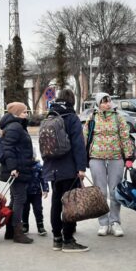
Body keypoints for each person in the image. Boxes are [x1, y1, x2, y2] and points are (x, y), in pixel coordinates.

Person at [42, 89, 89, 253]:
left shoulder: (50, 116)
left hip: (53, 169)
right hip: (69, 168)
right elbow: (78, 145)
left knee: (56, 202)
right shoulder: (71, 117)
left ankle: (57, 239)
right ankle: (68, 239)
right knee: (70, 203)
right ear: (72, 101)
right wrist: (81, 167)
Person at [83, 92, 133, 237]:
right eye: (104, 101)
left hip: (116, 157)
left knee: (115, 191)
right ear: (98, 103)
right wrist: (80, 159)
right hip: (96, 158)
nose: (107, 104)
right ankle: (103, 223)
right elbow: (85, 137)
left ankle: (115, 222)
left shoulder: (118, 117)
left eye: (109, 101)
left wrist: (128, 156)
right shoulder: (92, 117)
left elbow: (125, 137)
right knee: (101, 192)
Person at [0, 101, 34, 244]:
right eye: (24, 112)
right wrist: (13, 168)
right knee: (19, 199)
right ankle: (17, 233)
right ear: (17, 113)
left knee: (15, 199)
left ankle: (10, 231)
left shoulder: (17, 126)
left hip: (19, 168)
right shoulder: (15, 127)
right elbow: (8, 149)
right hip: (16, 170)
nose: (27, 114)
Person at [22, 153, 49, 236]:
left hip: (36, 193)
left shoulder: (38, 166)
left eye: (32, 156)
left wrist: (45, 189)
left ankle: (40, 226)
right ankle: (25, 225)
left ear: (34, 156)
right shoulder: (22, 166)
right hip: (24, 193)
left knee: (38, 209)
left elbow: (43, 178)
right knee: (25, 210)